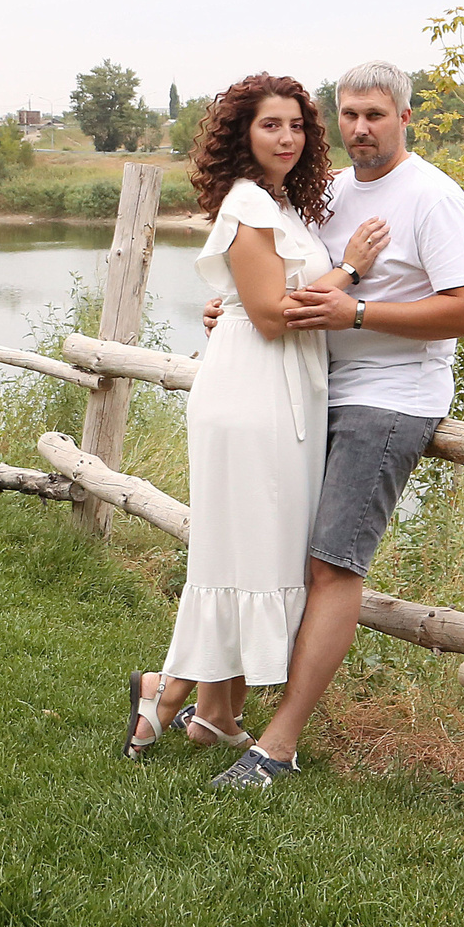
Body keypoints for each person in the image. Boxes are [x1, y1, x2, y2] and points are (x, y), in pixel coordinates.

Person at [201, 60, 464, 790]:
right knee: (284, 552)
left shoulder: (434, 197)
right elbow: (285, 283)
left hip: (390, 399)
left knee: (333, 563)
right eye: (351, 114)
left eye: (377, 115)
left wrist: (357, 312)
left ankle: (279, 743)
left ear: (405, 119)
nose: (362, 128)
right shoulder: (324, 195)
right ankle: (205, 702)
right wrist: (233, 309)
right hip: (313, 389)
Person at [122, 75, 387, 759]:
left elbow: (258, 299)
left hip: (280, 389)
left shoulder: (278, 205)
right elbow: (272, 315)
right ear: (242, 133)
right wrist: (351, 272)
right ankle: (166, 691)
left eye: (297, 125)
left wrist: (242, 302)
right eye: (271, 124)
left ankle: (211, 710)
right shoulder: (248, 204)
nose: (288, 137)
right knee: (241, 550)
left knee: (254, 549)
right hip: (252, 393)